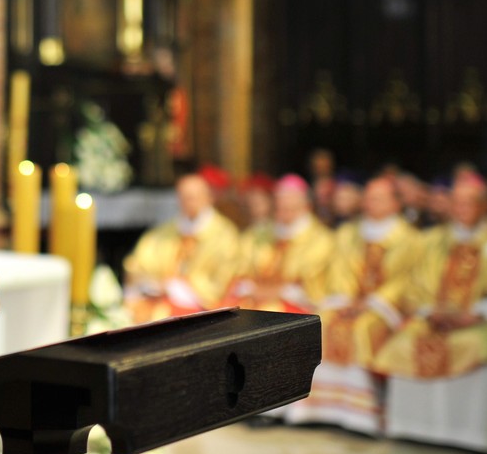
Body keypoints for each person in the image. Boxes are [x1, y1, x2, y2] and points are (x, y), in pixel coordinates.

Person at [371, 175, 487, 454]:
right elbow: (414, 285)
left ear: (485, 206)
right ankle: (411, 426)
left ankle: (472, 436)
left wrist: (478, 313)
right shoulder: (430, 241)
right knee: (402, 342)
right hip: (433, 318)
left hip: (478, 323)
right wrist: (431, 311)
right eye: (457, 202)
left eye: (469, 203)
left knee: (477, 345)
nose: (461, 208)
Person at [284, 176, 420, 433]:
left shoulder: (410, 239)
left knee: (362, 329)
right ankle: (316, 409)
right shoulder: (348, 234)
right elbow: (339, 272)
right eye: (368, 198)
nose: (371, 204)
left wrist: (373, 303)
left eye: (378, 199)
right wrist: (345, 300)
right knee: (320, 324)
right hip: (345, 302)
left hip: (382, 309)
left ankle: (362, 416)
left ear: (395, 203)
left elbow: (406, 280)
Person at [122, 171, 240, 324]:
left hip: (202, 311)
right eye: (183, 197)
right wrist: (153, 284)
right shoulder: (163, 233)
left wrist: (177, 286)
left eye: (193, 197)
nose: (188, 202)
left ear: (208, 197)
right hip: (159, 301)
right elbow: (137, 266)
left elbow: (224, 282)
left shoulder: (225, 235)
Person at [220, 174, 334, 314]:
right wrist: (251, 287)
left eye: (290, 208)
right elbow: (240, 266)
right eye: (280, 207)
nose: (283, 212)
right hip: (252, 298)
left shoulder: (321, 239)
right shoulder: (258, 233)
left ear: (305, 206)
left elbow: (310, 284)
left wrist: (277, 292)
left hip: (295, 305)